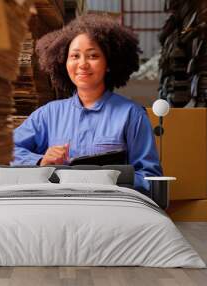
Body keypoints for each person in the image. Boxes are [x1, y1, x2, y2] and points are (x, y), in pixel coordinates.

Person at [11, 15, 162, 193]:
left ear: (109, 63)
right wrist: (39, 161)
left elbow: (151, 177)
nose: (82, 64)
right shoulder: (48, 115)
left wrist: (112, 179)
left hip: (109, 208)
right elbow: (9, 150)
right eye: (74, 56)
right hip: (59, 207)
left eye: (93, 55)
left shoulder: (131, 115)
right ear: (63, 61)